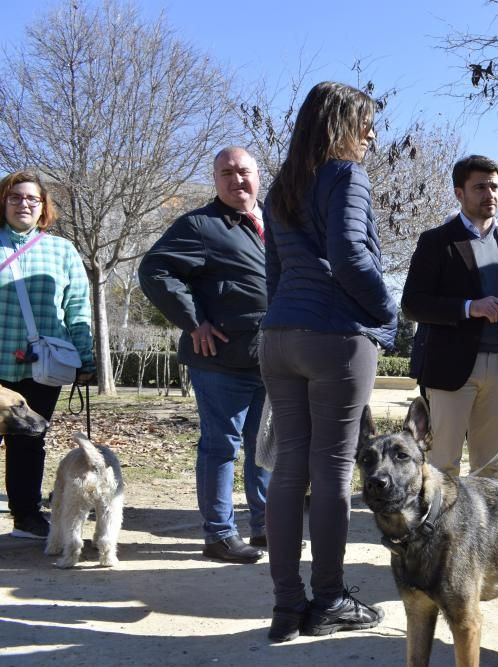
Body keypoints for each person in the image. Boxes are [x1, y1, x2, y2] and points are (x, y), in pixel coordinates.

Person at [259, 81, 398, 643]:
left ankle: (286, 608)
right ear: (340, 124)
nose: (372, 134)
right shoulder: (346, 175)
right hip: (336, 335)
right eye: (365, 122)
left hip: (280, 335)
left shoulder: (280, 187)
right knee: (333, 471)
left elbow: (274, 274)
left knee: (290, 470)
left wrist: (286, 316)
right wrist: (389, 310)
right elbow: (349, 254)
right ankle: (330, 599)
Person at [139, 147, 270, 564]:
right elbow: (155, 270)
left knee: (265, 446)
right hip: (219, 359)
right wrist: (194, 321)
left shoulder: (281, 223)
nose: (236, 180)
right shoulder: (199, 225)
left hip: (275, 357)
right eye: (226, 173)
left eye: (243, 171)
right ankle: (219, 535)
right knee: (221, 446)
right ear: (215, 180)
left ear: (258, 175)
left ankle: (267, 526)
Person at [401, 155, 498, 478]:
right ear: (459, 194)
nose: (490, 194)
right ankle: (439, 529)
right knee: (443, 464)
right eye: (480, 187)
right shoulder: (436, 242)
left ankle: (481, 531)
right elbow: (413, 303)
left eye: (495, 187)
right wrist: (469, 308)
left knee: (488, 468)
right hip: (450, 368)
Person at [0, 171, 95, 540]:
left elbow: (77, 308)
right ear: (3, 201)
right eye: (15, 197)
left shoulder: (62, 250)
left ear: (43, 207)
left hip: (42, 366)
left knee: (29, 440)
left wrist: (86, 359)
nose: (23, 203)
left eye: (31, 199)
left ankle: (26, 515)